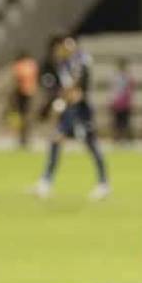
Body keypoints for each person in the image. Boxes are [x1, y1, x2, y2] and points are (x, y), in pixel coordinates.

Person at [34, 35, 109, 200]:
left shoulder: (79, 63)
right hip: (69, 111)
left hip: (81, 112)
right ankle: (46, 181)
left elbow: (77, 91)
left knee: (91, 144)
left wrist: (63, 101)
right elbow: (65, 90)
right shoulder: (62, 65)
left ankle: (103, 183)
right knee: (55, 141)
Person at [10, 51, 39, 149]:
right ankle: (24, 138)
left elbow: (17, 79)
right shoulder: (32, 64)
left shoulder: (19, 65)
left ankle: (23, 138)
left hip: (22, 93)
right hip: (29, 92)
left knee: (22, 116)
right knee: (25, 116)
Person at [110, 58, 136, 143]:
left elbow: (130, 90)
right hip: (118, 102)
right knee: (118, 122)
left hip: (124, 102)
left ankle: (127, 139)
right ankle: (118, 138)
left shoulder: (127, 77)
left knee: (125, 122)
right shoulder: (117, 77)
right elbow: (114, 90)